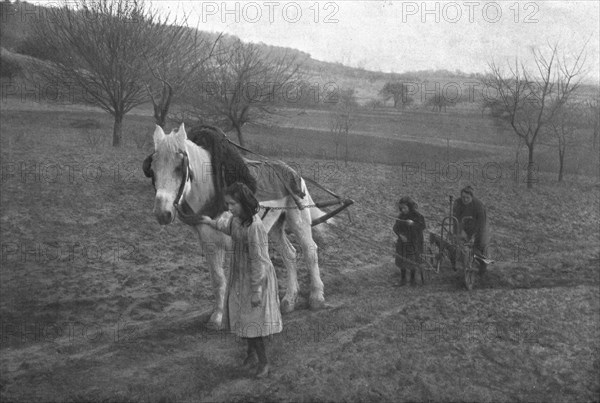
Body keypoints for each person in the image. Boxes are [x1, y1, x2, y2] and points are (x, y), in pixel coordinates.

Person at [199, 182, 282, 378]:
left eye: (232, 204)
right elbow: (226, 226)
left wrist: (257, 291)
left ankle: (263, 363)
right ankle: (250, 355)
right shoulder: (236, 220)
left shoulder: (255, 227)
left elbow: (258, 261)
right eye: (227, 204)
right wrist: (209, 221)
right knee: (244, 318)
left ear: (244, 203)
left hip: (256, 278)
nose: (229, 208)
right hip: (241, 276)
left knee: (254, 322)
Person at [452, 185, 490, 274]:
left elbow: (481, 224)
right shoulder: (458, 203)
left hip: (478, 228)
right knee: (458, 245)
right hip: (465, 226)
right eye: (463, 197)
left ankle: (483, 263)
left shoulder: (479, 206)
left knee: (476, 247)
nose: (465, 200)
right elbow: (455, 219)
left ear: (472, 197)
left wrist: (474, 236)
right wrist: (459, 231)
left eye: (467, 198)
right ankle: (460, 262)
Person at [392, 196, 426, 286]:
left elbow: (422, 226)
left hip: (414, 241)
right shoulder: (401, 216)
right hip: (403, 242)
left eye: (405, 208)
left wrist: (413, 224)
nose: (403, 210)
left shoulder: (417, 216)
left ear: (410, 207)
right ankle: (403, 280)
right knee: (402, 260)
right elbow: (395, 227)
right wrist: (400, 235)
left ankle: (412, 280)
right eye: (401, 208)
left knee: (412, 260)